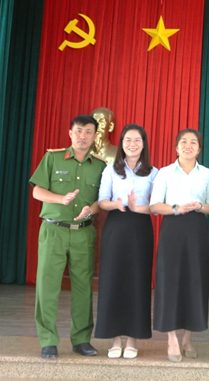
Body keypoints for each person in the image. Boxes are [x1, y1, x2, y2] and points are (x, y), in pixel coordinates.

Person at [29, 115, 107, 359]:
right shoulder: (53, 158)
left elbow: (102, 200)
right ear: (70, 133)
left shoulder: (100, 166)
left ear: (95, 136)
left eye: (88, 131)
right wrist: (59, 199)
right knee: (47, 285)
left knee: (83, 287)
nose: (83, 136)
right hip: (54, 230)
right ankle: (48, 340)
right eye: (79, 131)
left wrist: (90, 210)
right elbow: (37, 191)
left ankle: (81, 340)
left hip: (83, 232)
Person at [150, 129, 209, 362]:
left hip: (197, 229)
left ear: (199, 149)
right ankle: (171, 339)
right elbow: (155, 205)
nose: (188, 145)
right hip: (172, 228)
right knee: (170, 281)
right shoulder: (165, 172)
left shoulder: (207, 174)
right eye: (183, 142)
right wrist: (176, 208)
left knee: (194, 281)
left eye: (193, 142)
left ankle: (188, 338)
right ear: (176, 147)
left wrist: (200, 207)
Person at [95, 124, 158, 359]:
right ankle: (115, 340)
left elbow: (156, 205)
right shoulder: (111, 170)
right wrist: (117, 204)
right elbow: (102, 201)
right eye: (128, 140)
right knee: (113, 280)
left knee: (137, 281)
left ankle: (132, 339)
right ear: (121, 144)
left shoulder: (153, 172)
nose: (132, 144)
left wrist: (137, 207)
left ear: (144, 144)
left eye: (137, 140)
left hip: (140, 228)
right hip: (116, 225)